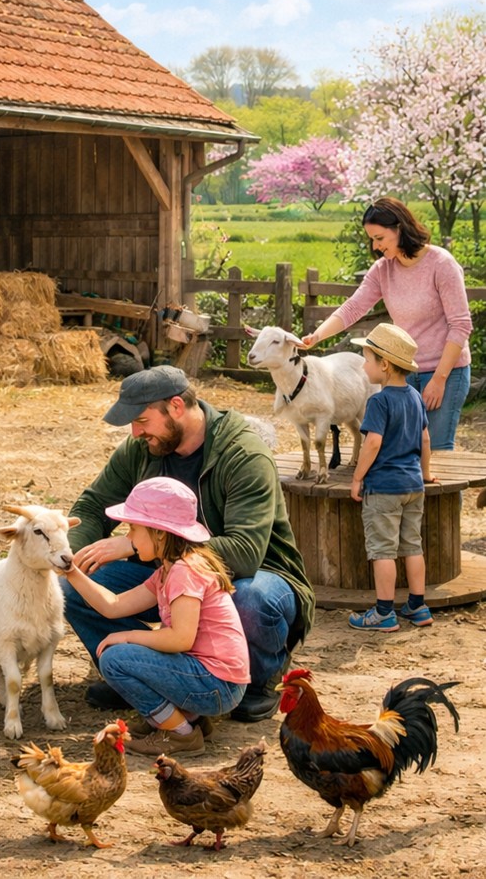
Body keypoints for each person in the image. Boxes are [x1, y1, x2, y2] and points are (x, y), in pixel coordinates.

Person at [63, 364, 315, 724]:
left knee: (250, 598)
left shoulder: (244, 455)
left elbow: (245, 553)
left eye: (142, 420)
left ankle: (258, 680)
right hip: (165, 571)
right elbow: (91, 507)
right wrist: (66, 556)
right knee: (73, 588)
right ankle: (145, 674)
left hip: (253, 573)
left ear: (176, 407)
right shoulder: (143, 447)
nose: (135, 432)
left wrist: (131, 545)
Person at [62, 477, 249, 757]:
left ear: (159, 533)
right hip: (213, 681)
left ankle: (180, 734)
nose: (128, 538)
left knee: (115, 660)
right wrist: (71, 572)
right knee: (120, 654)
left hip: (217, 686)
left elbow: (181, 639)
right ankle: (189, 720)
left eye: (133, 529)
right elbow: (113, 605)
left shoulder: (184, 572)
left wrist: (127, 636)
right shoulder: (168, 570)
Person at [301, 197, 472, 450]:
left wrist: (439, 379)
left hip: (445, 371)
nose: (375, 246)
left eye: (379, 238)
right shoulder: (383, 269)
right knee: (400, 452)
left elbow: (461, 325)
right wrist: (317, 336)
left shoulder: (442, 264)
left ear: (399, 228)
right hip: (403, 371)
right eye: (372, 239)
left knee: (434, 453)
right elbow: (353, 308)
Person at [347, 324, 435, 633]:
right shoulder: (415, 397)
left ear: (384, 364)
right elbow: (425, 439)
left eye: (366, 359)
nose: (363, 366)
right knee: (412, 545)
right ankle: (418, 606)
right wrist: (425, 473)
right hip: (413, 486)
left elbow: (372, 443)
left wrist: (357, 477)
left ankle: (384, 612)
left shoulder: (379, 401)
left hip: (384, 488)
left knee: (383, 550)